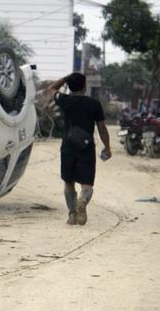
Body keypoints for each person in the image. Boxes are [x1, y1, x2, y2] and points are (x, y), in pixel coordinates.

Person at [49, 72, 111, 225]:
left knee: (68, 182)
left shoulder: (64, 100)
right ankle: (82, 201)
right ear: (84, 86)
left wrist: (65, 78)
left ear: (70, 86)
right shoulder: (94, 104)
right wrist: (107, 147)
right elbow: (102, 128)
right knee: (87, 185)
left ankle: (72, 214)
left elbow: (52, 89)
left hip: (68, 148)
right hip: (86, 148)